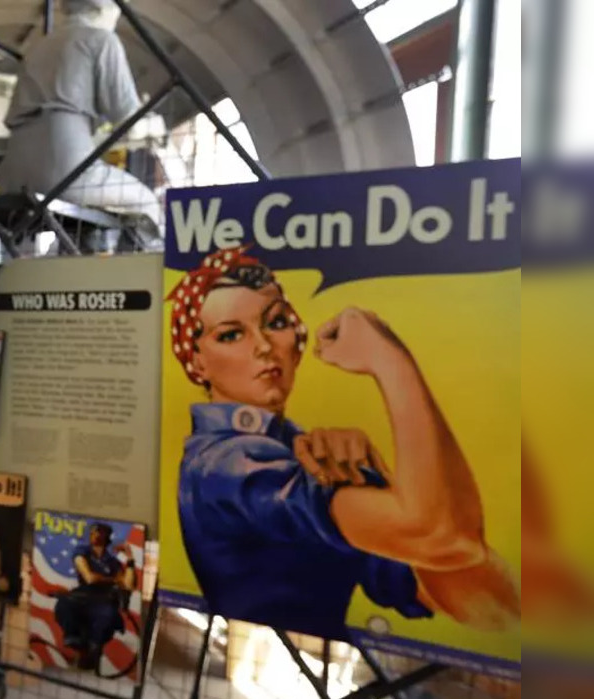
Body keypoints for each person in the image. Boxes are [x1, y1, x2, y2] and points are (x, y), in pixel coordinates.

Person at [171, 246, 519, 641]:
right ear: (197, 363)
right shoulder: (228, 464)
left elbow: (488, 604)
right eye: (231, 334)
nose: (264, 346)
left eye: (276, 322)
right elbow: (440, 534)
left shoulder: (294, 450)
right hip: (274, 655)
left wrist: (376, 481)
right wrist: (391, 362)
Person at [0, 0, 166, 248]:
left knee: (89, 224)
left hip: (14, 172)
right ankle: (139, 277)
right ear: (105, 9)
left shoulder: (38, 47)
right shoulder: (101, 40)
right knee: (145, 202)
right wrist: (155, 126)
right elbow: (128, 120)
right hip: (63, 171)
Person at [53, 523, 136, 671]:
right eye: (92, 531)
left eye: (98, 531)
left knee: (107, 616)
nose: (94, 534)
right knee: (64, 604)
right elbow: (89, 578)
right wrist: (114, 580)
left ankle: (93, 648)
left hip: (103, 600)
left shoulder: (112, 562)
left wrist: (130, 559)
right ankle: (75, 639)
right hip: (82, 596)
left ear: (106, 536)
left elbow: (128, 585)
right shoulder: (82, 552)